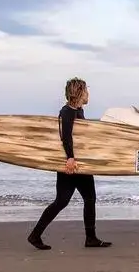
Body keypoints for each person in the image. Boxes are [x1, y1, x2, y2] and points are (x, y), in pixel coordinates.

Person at [27, 77, 112, 250]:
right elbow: (66, 136)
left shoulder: (77, 111)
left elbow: (80, 137)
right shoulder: (67, 112)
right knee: (65, 201)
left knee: (82, 199)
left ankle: (90, 238)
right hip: (72, 164)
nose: (89, 94)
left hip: (78, 163)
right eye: (86, 91)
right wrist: (70, 158)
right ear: (80, 92)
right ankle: (36, 235)